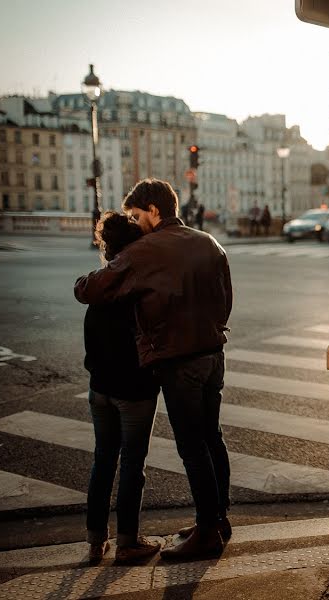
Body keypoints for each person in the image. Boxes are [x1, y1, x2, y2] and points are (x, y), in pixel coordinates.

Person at [75, 178, 233, 561]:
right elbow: (225, 299)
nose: (134, 221)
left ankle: (207, 533)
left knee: (191, 447)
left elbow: (90, 289)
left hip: (179, 361)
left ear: (155, 210)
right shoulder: (208, 242)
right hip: (214, 354)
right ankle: (216, 519)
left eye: (136, 214)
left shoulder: (147, 250)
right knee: (212, 438)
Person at [84, 212, 162, 565]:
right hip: (134, 391)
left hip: (99, 389)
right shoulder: (138, 291)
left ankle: (95, 540)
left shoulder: (97, 290)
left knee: (103, 461)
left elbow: (91, 347)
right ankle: (128, 540)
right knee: (132, 464)